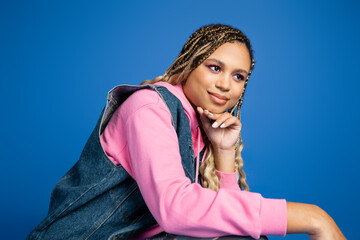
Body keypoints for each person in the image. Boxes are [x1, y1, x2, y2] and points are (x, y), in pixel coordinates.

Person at [27, 24, 346, 240]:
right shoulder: (149, 108)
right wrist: (312, 216)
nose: (226, 85)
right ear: (189, 63)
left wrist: (222, 152)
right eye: (215, 67)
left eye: (239, 77)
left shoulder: (196, 125)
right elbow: (175, 209)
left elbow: (224, 224)